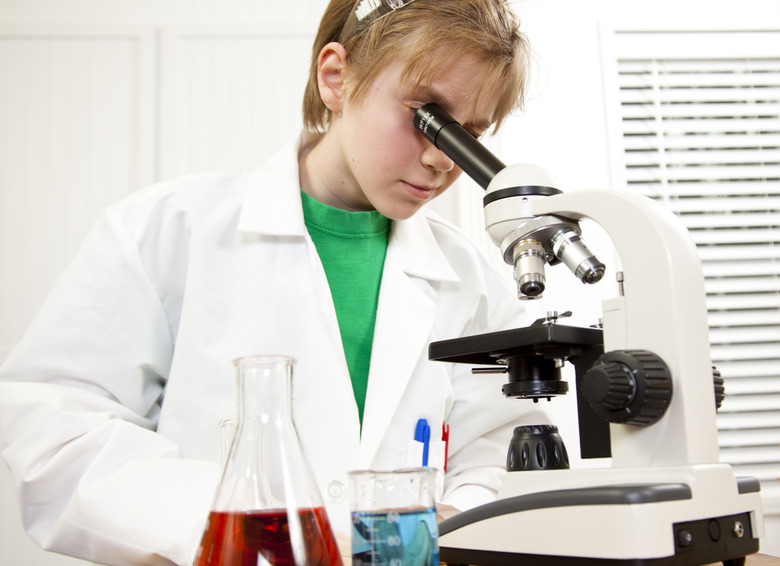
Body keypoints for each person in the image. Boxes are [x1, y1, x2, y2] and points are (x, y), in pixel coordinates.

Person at [0, 0, 532, 564]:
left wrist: (457, 519)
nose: (441, 159)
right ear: (336, 77)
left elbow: (496, 447)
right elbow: (56, 432)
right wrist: (245, 524)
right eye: (429, 117)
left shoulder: (473, 280)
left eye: (469, 133)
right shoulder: (169, 228)